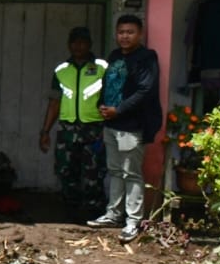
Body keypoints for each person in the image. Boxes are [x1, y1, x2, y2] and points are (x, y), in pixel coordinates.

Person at [88, 15, 162, 242]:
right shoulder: (114, 56)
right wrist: (102, 107)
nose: (125, 36)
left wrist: (118, 110)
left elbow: (145, 91)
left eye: (130, 32)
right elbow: (108, 85)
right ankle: (113, 214)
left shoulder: (146, 58)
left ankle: (133, 221)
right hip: (111, 124)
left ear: (140, 34)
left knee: (131, 172)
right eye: (121, 32)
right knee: (115, 170)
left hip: (131, 125)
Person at [39, 27, 108, 224]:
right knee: (66, 171)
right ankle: (71, 214)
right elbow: (54, 102)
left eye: (82, 42)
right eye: (74, 42)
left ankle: (95, 213)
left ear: (90, 44)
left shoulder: (102, 67)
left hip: (93, 129)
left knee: (93, 173)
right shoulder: (61, 70)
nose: (78, 46)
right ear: (69, 44)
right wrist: (45, 131)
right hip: (67, 130)